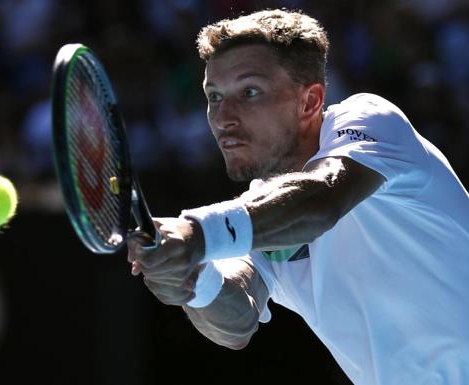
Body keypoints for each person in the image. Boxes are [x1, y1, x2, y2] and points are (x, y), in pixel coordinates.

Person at [127, 8, 469, 385]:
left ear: (309, 102)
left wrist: (198, 234)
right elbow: (237, 321)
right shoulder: (257, 218)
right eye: (214, 96)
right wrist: (193, 280)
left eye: (250, 92)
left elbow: (320, 200)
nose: (223, 117)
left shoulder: (369, 118)